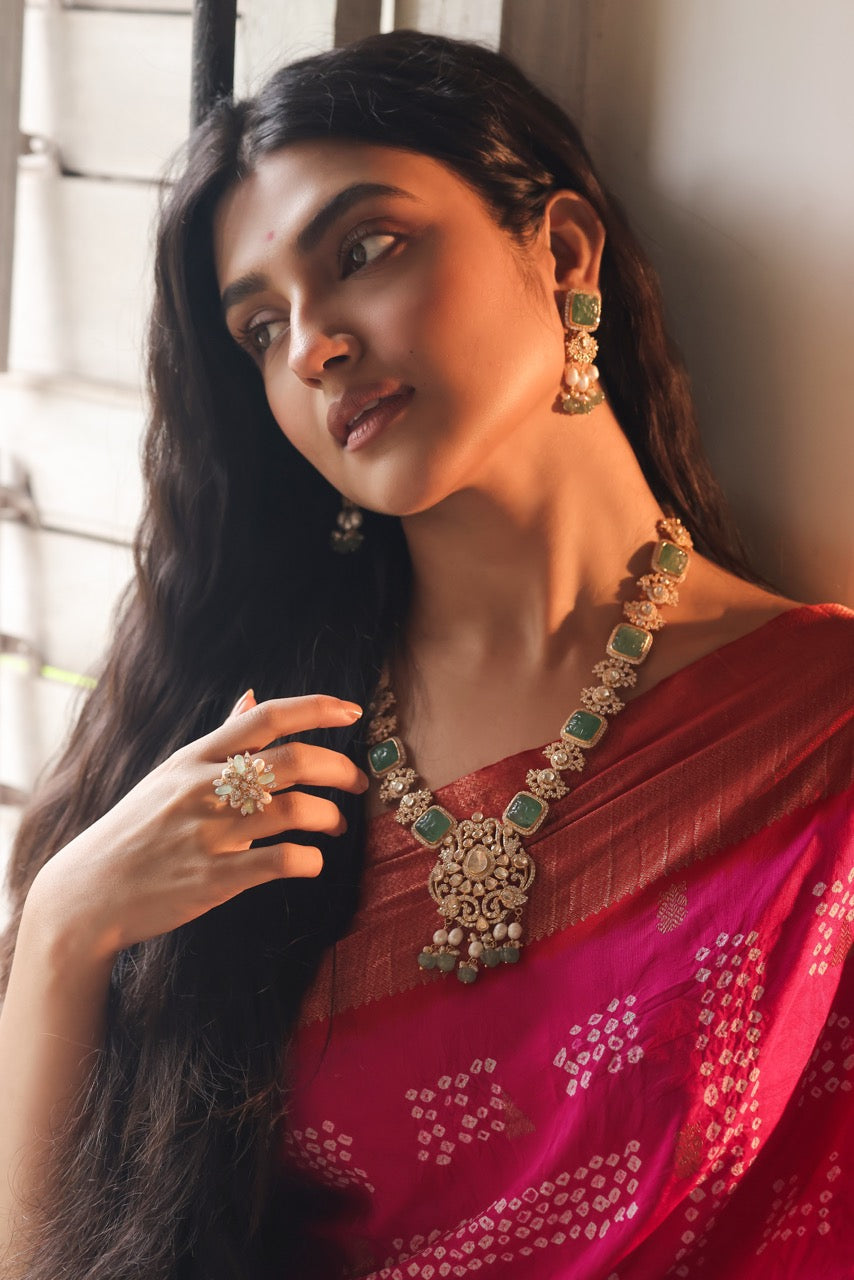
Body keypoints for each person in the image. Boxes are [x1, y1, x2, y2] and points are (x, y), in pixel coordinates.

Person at [1, 28, 851, 1280]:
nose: (312, 347)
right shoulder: (251, 738)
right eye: (258, 328)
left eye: (364, 251)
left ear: (561, 250)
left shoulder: (813, 730)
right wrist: (68, 926)